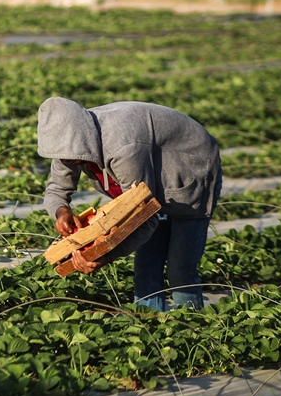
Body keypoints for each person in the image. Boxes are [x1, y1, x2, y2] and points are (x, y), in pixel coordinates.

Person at [36, 97, 222, 311]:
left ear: (82, 138)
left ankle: (194, 327)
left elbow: (145, 214)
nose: (68, 161)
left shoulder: (123, 147)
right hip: (149, 178)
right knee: (146, 268)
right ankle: (150, 331)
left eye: (72, 157)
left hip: (190, 171)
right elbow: (56, 189)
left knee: (180, 270)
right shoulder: (67, 144)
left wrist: (107, 254)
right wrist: (61, 211)